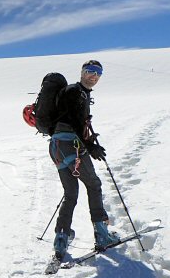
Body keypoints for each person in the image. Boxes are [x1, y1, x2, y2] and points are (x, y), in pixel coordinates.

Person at [49, 59, 120, 261]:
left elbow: (73, 121)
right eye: (90, 71)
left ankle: (61, 240)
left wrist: (90, 142)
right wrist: (89, 146)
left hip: (57, 148)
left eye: (98, 73)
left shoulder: (78, 93)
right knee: (94, 184)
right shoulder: (75, 92)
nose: (94, 76)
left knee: (70, 193)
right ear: (82, 72)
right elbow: (73, 121)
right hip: (72, 145)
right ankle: (102, 235)